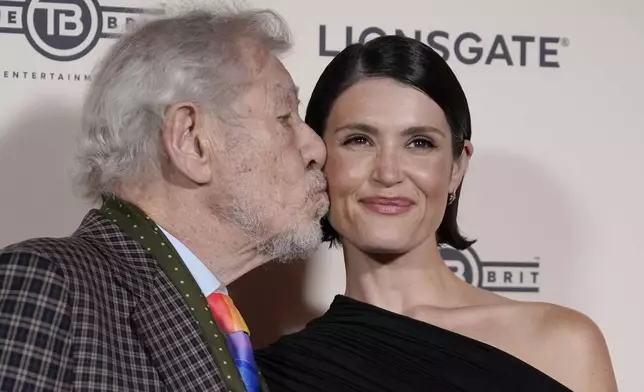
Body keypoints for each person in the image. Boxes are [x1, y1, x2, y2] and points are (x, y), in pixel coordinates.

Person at [254, 35, 618, 392]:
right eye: (359, 140)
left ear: (456, 168)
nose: (389, 173)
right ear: (318, 158)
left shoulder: (561, 343)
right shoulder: (274, 374)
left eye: (419, 143)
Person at [0, 7, 328, 392]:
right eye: (285, 116)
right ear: (191, 140)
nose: (316, 149)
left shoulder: (220, 325)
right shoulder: (46, 284)